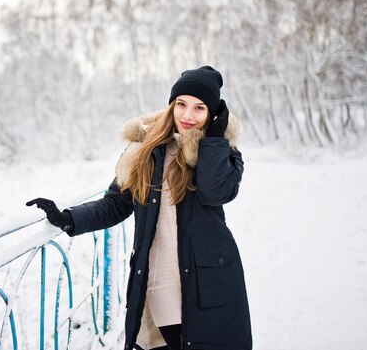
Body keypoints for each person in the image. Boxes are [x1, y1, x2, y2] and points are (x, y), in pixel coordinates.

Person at [27, 66, 252, 350]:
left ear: (212, 113)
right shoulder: (145, 152)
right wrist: (68, 218)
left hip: (211, 282)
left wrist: (213, 140)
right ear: (171, 105)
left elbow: (215, 191)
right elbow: (116, 204)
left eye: (199, 108)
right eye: (181, 104)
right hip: (161, 282)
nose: (187, 115)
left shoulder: (222, 152)